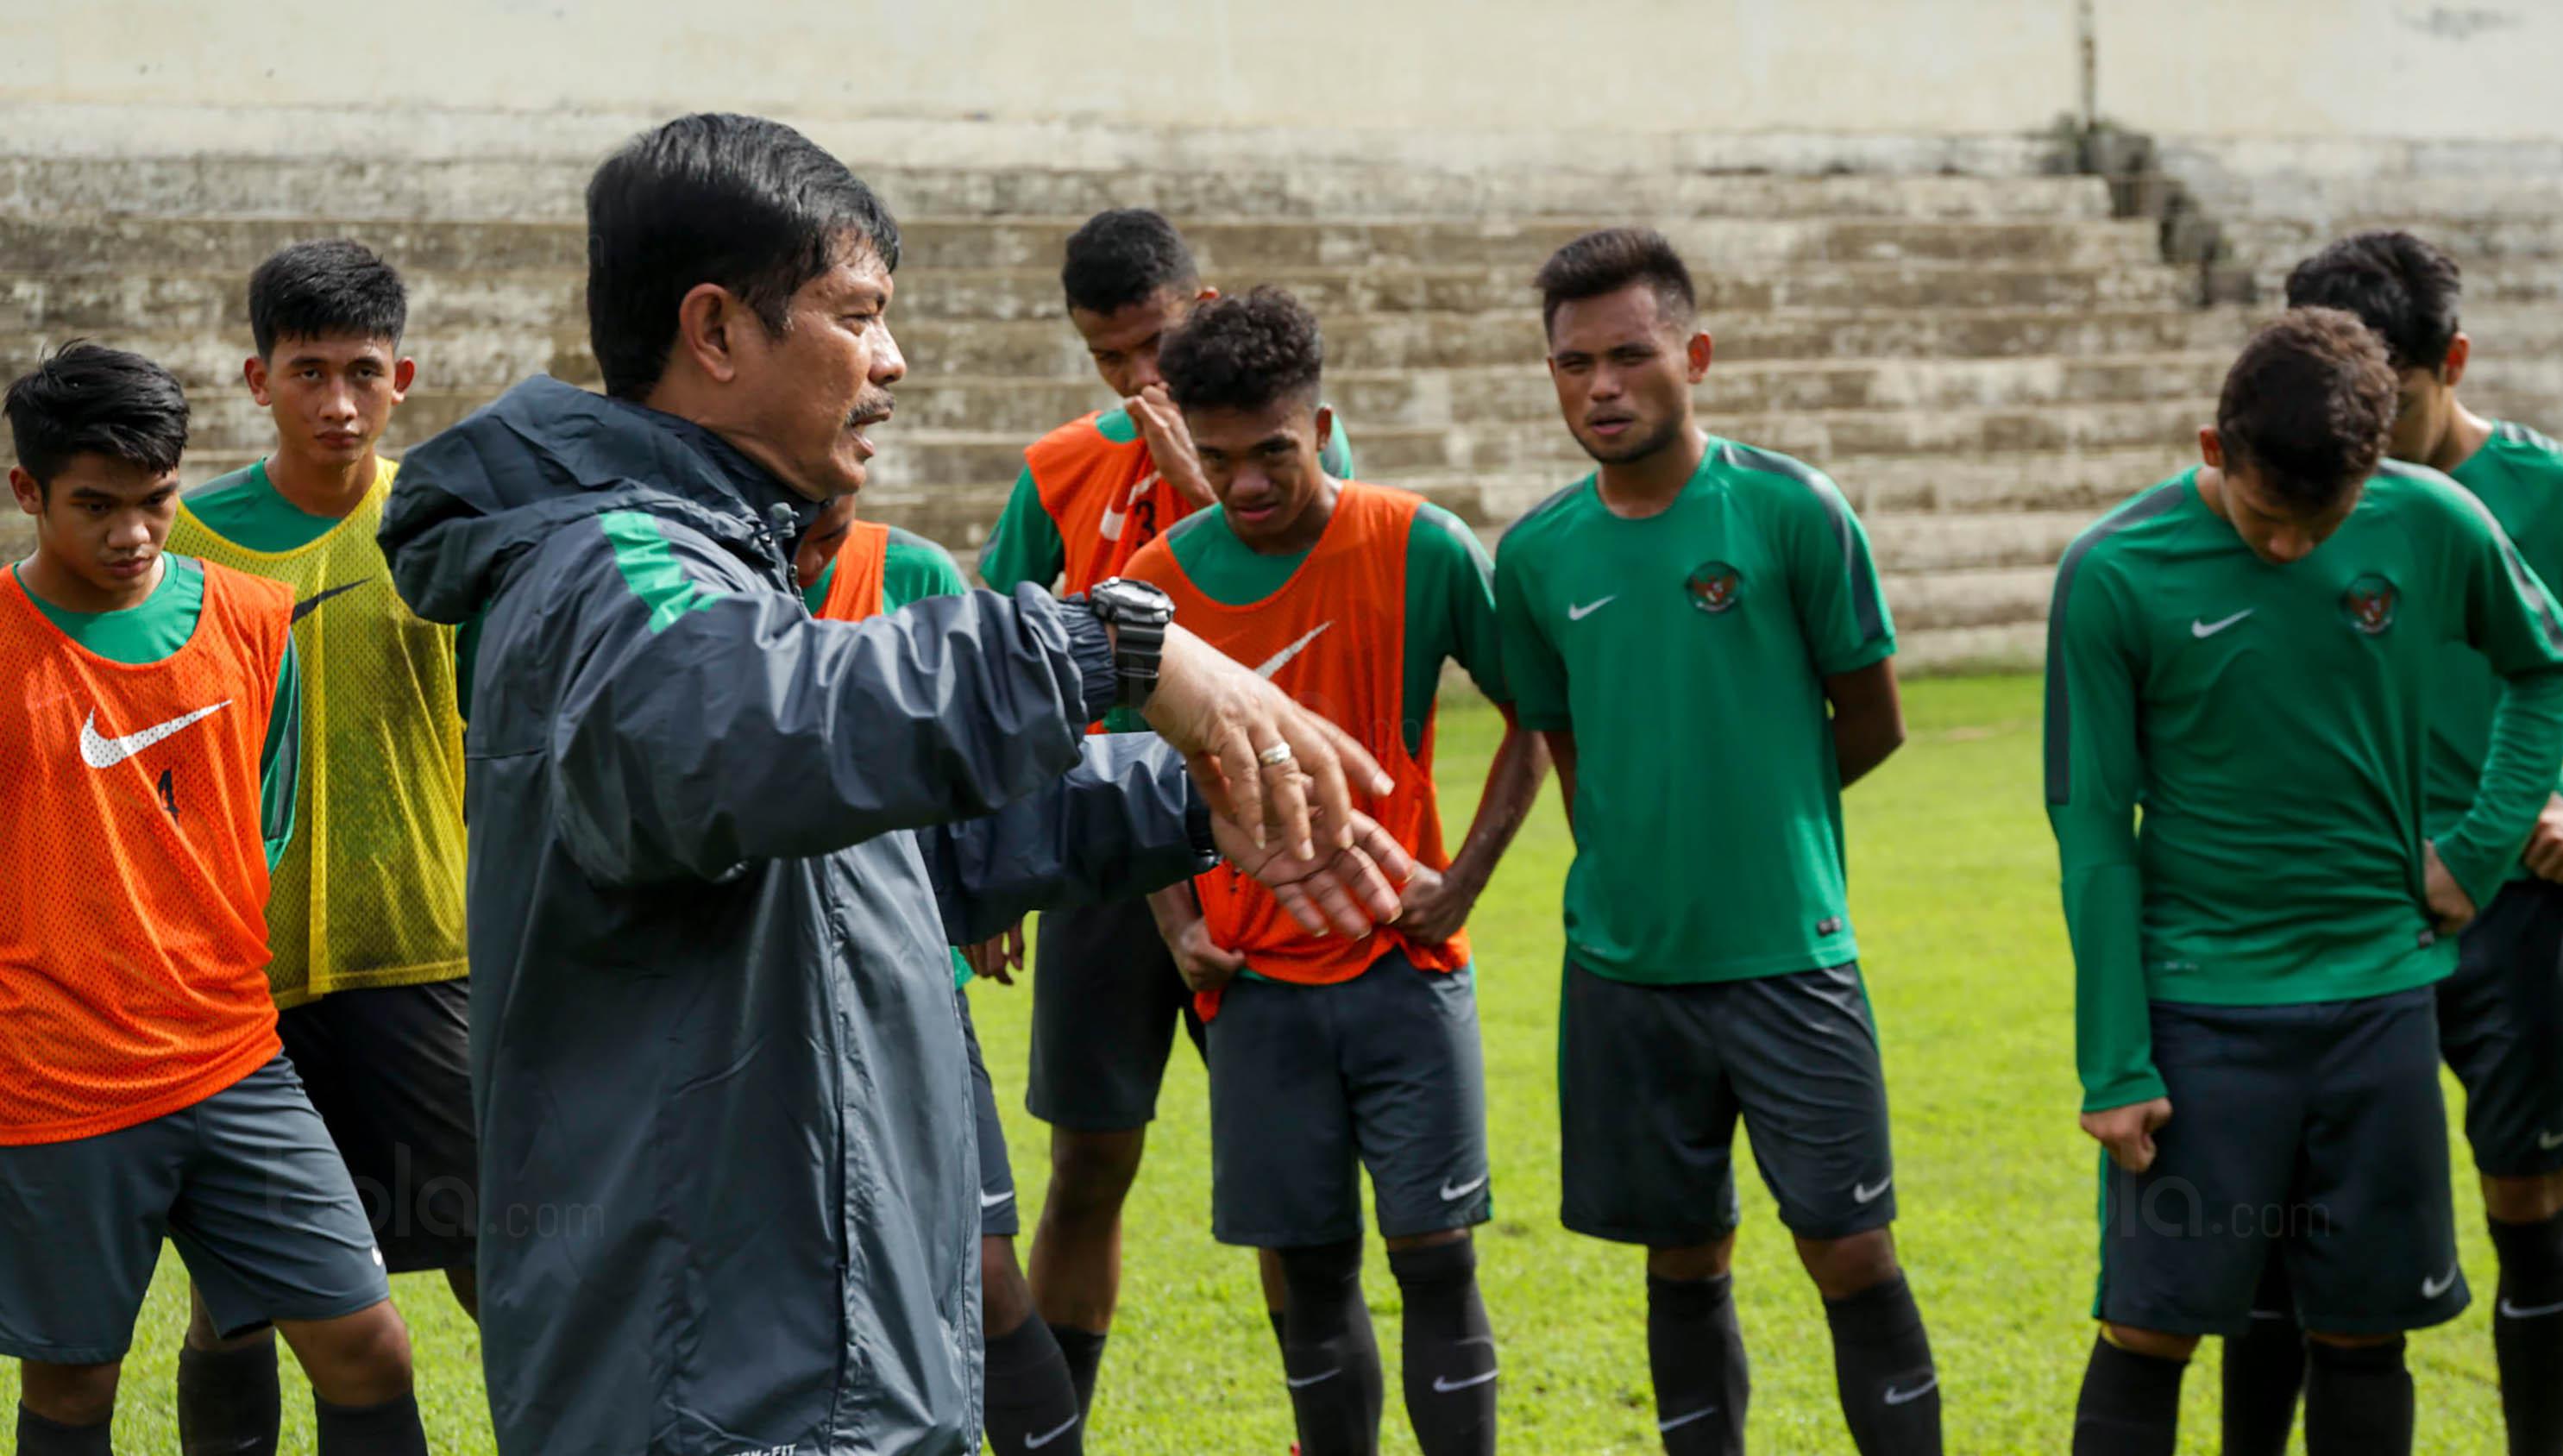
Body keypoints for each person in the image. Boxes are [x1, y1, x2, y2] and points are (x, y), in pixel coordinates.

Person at [375, 111, 1411, 1456]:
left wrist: (1186, 803)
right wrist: (1110, 644)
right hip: (722, 1390)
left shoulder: (719, 571)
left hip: (821, 1361)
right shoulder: (608, 568)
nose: (893, 360)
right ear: (717, 330)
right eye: (857, 315)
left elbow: (873, 865)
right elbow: (730, 740)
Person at [2049, 307, 2563, 1456]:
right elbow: (2092, 826)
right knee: (2146, 1330)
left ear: (2373, 468)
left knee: (2364, 1334)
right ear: (2212, 450)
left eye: (2322, 519)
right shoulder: (2112, 573)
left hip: (2379, 1010)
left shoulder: (2435, 519)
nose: (2290, 548)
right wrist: (2115, 1058)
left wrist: (2480, 849)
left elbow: (2548, 664)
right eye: (2262, 516)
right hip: (2201, 1018)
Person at [1492, 228, 1937, 1456]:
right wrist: (1642, 855)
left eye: (1629, 355)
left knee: (1850, 1251)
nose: (1601, 387)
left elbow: (1874, 719)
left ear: (1692, 353)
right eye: (1573, 363)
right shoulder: (1533, 556)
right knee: (1682, 1257)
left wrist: (1758, 816)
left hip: (1789, 954)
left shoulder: (1792, 511)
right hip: (1627, 973)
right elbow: (1567, 743)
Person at [1119, 287, 1544, 1456]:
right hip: (1252, 988)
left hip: (1404, 969)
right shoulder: (1156, 584)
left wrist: (1461, 881)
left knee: (1437, 1260)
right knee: (1308, 1274)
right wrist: (1174, 920)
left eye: (1274, 455)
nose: (1247, 487)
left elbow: (1534, 718)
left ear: (1321, 426)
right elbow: (1114, 771)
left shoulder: (1418, 544)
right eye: (1217, 461)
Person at [0, 343, 428, 1456]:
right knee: (75, 1386)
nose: (133, 532)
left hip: (235, 1059)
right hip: (58, 1083)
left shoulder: (250, 618)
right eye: (95, 505)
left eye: (156, 500)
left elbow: (264, 826)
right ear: (27, 491)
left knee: (369, 1343)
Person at [2201, 231, 2563, 1456]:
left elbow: (2547, 664)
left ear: (2451, 362)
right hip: (2334, 914)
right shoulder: (2288, 491)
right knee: (2280, 1220)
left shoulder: (2557, 493)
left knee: (2525, 1196)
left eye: (2390, 396)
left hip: (2511, 903)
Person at [979, 207, 1354, 1420]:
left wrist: (1203, 480)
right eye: (1109, 359)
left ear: (1199, 311)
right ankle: (1057, 1433)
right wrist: (993, 867)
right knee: (1088, 1163)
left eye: (1151, 346)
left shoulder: (1297, 460)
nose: (1139, 380)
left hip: (1254, 858)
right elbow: (992, 666)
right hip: (1100, 858)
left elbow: (1327, 623)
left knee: (1287, 1180)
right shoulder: (1058, 470)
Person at [161, 238, 477, 1456]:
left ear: (404, 375)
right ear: (255, 380)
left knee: (490, 1257)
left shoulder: (447, 521)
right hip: (244, 980)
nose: (337, 404)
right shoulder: (185, 541)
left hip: (423, 957)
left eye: (362, 372)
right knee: (235, 1302)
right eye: (307, 372)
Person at [795, 497, 1085, 1453]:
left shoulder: (912, 574)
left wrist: (990, 890)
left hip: (906, 982)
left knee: (983, 1271)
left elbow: (976, 752)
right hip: (756, 1003)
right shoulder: (702, 586)